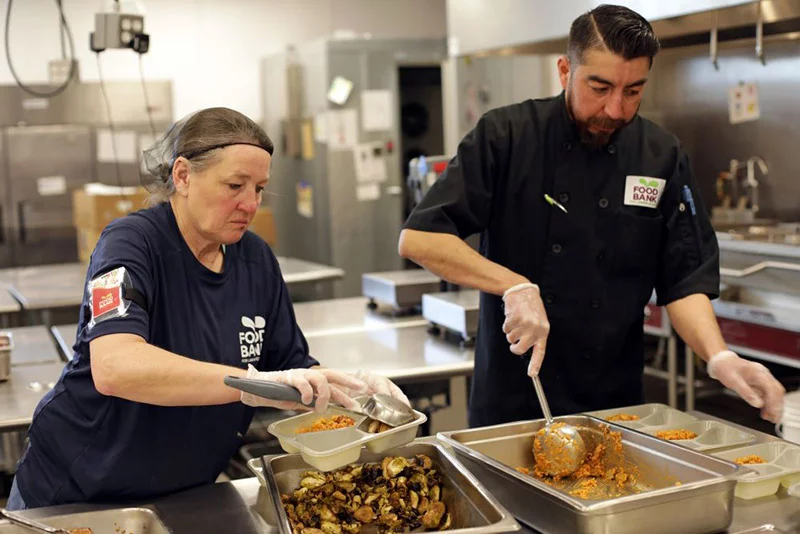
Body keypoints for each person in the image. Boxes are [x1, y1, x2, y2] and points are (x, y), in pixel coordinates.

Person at [398, 4, 785, 428]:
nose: (616, 110)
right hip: (517, 402)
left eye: (633, 91)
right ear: (565, 71)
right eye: (599, 88)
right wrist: (513, 286)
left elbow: (683, 280)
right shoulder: (507, 136)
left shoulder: (660, 155)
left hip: (617, 404)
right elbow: (420, 238)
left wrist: (719, 356)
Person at [7, 107, 408, 510]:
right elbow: (116, 368)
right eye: (235, 185)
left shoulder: (256, 259)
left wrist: (350, 390)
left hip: (185, 493)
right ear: (182, 176)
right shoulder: (131, 244)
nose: (250, 204)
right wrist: (249, 384)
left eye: (259, 188)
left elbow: (291, 368)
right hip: (78, 492)